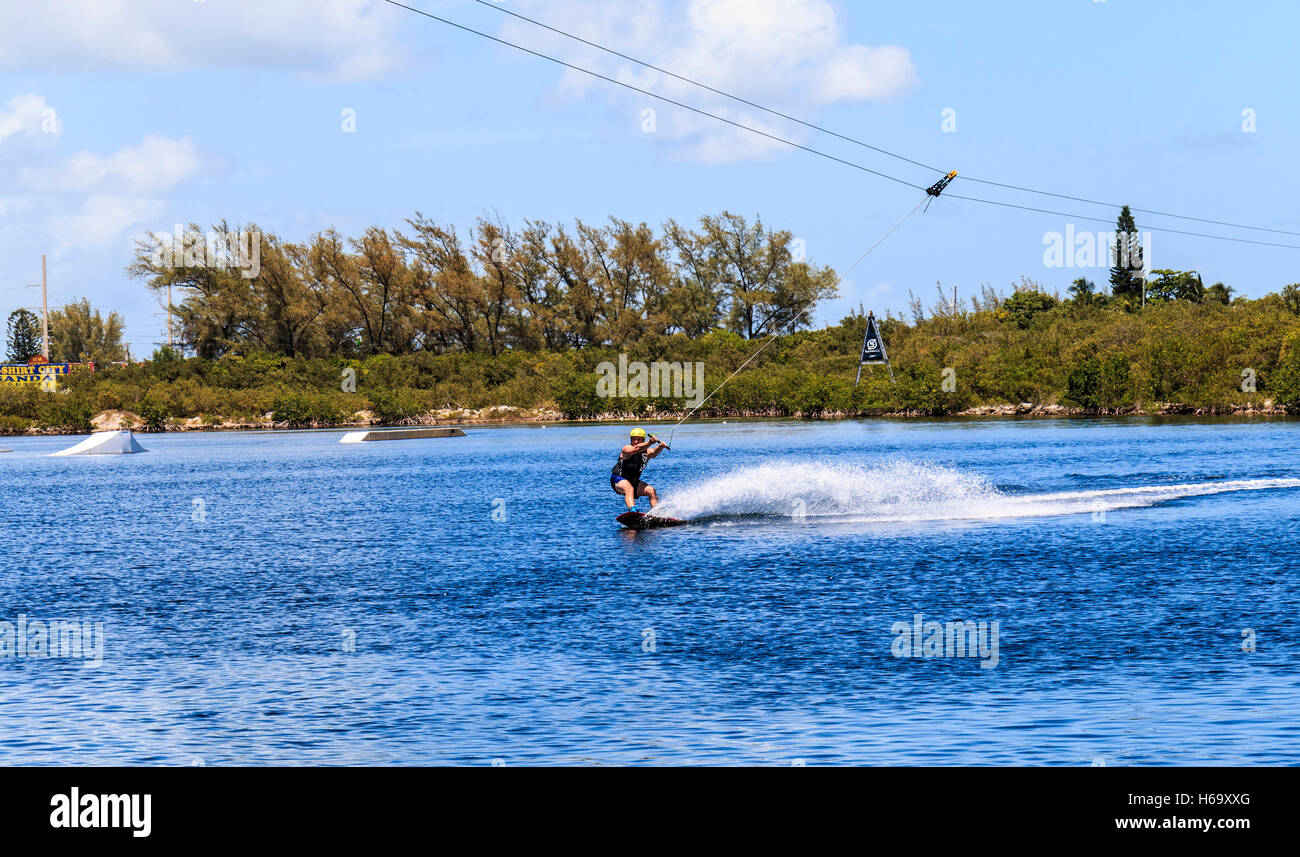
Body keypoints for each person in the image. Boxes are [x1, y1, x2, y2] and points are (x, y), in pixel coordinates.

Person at [611, 428, 667, 511]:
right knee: (629, 488)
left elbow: (654, 453)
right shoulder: (626, 449)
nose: (636, 441)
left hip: (633, 481)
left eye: (638, 439)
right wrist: (649, 443)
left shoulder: (646, 453)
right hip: (618, 479)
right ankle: (633, 510)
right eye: (634, 439)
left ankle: (657, 512)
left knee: (651, 491)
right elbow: (636, 449)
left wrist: (661, 446)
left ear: (643, 440)